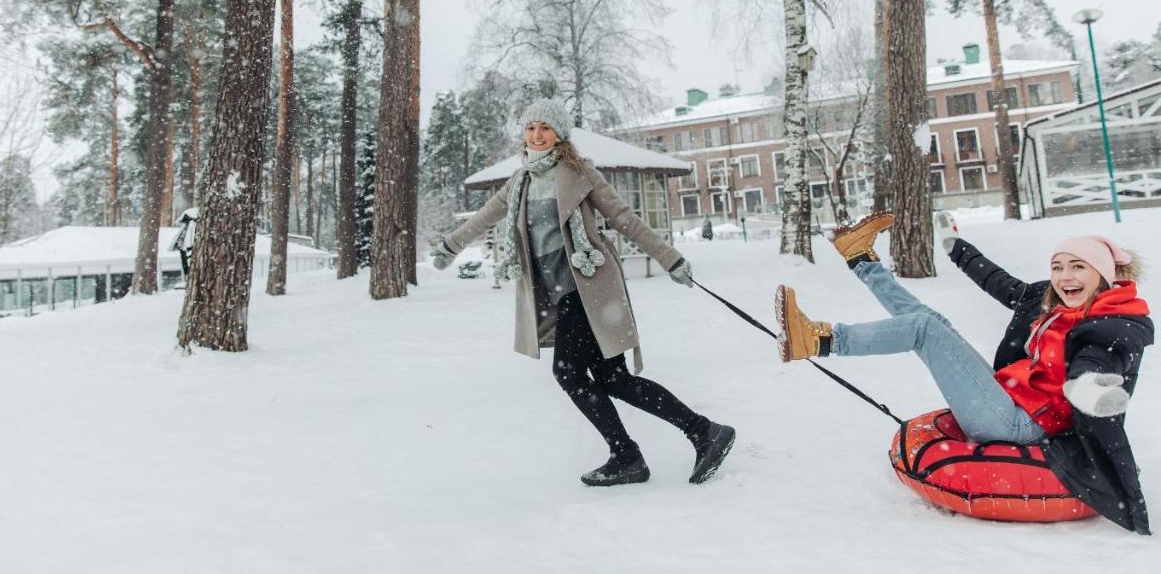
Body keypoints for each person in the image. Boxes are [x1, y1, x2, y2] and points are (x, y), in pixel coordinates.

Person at [775, 211, 1153, 534]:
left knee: (925, 329)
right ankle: (861, 258)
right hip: (1010, 398)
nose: (1064, 276)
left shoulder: (1110, 324)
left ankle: (819, 341)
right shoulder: (1053, 302)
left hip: (1022, 423)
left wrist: (1091, 389)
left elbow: (1095, 363)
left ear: (1102, 275)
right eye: (1058, 267)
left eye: (1077, 267)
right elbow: (999, 282)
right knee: (931, 321)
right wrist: (955, 246)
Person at [431, 99, 736, 487]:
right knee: (612, 378)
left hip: (589, 285)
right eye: (530, 128)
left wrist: (669, 258)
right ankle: (701, 432)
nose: (537, 135)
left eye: (545, 128)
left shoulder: (579, 172)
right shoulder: (520, 181)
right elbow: (484, 217)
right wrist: (450, 247)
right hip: (560, 294)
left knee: (568, 372)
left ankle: (631, 453)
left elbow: (624, 218)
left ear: (559, 134)